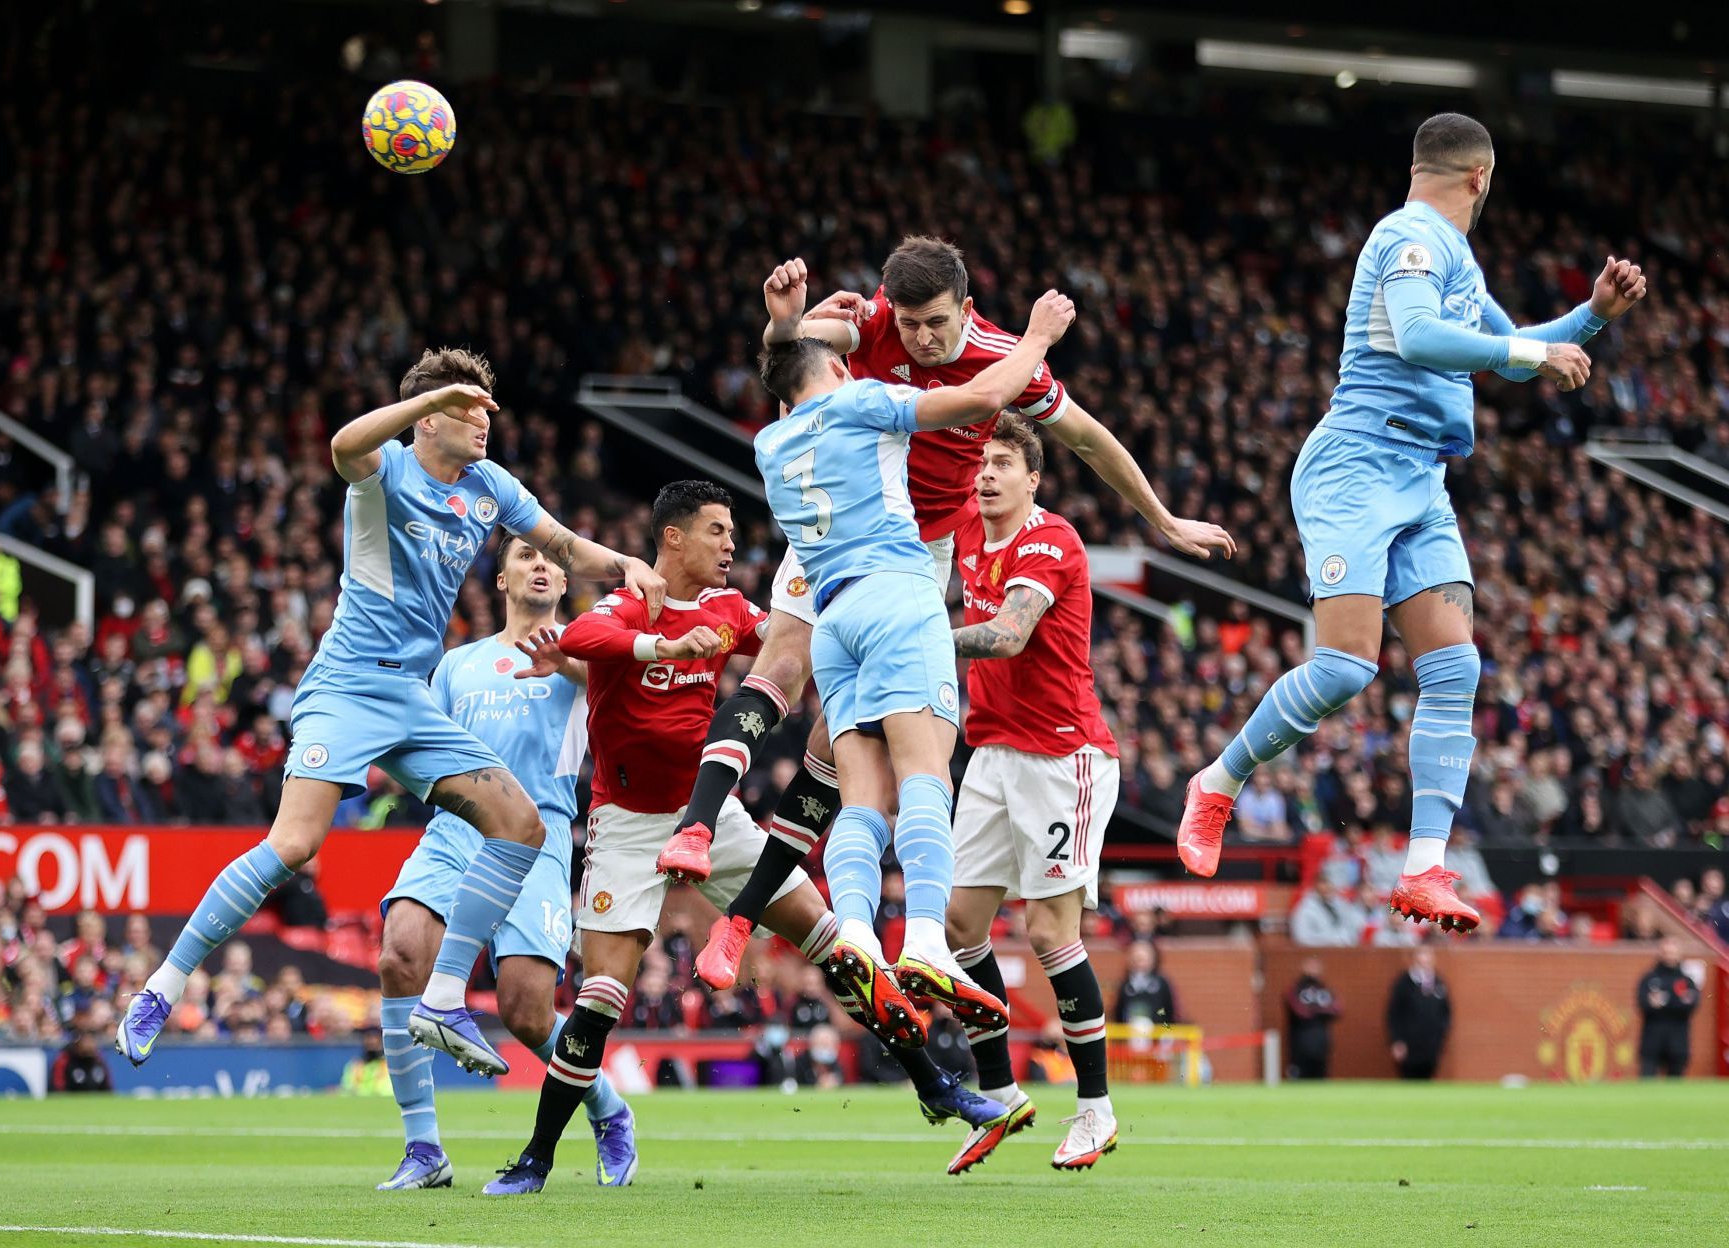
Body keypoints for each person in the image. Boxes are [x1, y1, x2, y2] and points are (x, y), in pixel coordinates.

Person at [676, 238, 1233, 988]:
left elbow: (1090, 440)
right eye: (908, 324)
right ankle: (712, 834)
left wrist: (1163, 520)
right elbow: (796, 355)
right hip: (846, 538)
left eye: (936, 323)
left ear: (966, 309)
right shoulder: (873, 327)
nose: (921, 339)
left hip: (916, 550)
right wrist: (787, 324)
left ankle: (747, 917)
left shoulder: (1001, 357)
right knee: (800, 682)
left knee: (837, 753)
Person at [115, 347, 665, 1075]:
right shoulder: (383, 473)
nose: (484, 423)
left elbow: (561, 543)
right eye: (470, 409)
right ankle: (164, 985)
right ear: (430, 418)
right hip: (346, 686)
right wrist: (432, 402)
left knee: (521, 825)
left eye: (486, 409)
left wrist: (624, 564)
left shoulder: (488, 487)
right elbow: (344, 445)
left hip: (412, 696)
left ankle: (443, 997)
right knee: (294, 845)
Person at [1177, 112, 1648, 934]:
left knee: (1456, 667)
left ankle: (1424, 870)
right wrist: (1531, 357)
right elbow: (1431, 341)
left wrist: (1595, 313)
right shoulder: (1411, 239)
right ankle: (1218, 782)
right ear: (1481, 179)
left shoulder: (1453, 256)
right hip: (1358, 465)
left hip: (1421, 476)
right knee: (1347, 668)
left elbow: (1517, 344)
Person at [483, 481, 1009, 1195]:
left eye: (731, 532)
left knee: (833, 942)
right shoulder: (633, 601)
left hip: (715, 817)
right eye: (716, 531)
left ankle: (934, 1085)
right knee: (602, 995)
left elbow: (796, 645)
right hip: (627, 826)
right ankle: (539, 1157)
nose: (732, 544)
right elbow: (582, 635)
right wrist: (663, 642)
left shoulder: (731, 611)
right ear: (672, 538)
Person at [730, 260, 1079, 1050]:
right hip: (897, 592)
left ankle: (853, 928)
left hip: (834, 615)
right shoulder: (863, 403)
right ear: (834, 367)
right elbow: (988, 396)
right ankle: (923, 939)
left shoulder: (772, 443)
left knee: (860, 797)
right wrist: (1038, 336)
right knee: (924, 777)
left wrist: (788, 323)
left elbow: (785, 353)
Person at [372, 534, 635, 1192]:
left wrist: (568, 663)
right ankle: (424, 1147)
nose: (541, 564)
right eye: (525, 555)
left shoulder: (584, 645)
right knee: (399, 954)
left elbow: (605, 690)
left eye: (551, 557)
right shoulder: (459, 665)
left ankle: (608, 1109)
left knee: (524, 1008)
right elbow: (423, 747)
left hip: (538, 832)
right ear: (502, 580)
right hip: (458, 826)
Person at [941, 416, 1120, 1174]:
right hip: (990, 754)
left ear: (1033, 480)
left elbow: (1010, 634)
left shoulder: (1051, 540)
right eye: (979, 462)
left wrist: (912, 636)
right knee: (958, 924)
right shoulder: (964, 532)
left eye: (1003, 462)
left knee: (1049, 931)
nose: (985, 474)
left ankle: (1096, 1109)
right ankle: (1001, 1093)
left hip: (1062, 757)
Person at [1636, 937, 1699, 1079]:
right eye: (1666, 952)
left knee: (1676, 1085)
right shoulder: (1649, 978)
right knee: (1647, 1081)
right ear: (1660, 953)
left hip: (1678, 1042)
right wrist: (1674, 1003)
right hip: (1652, 1041)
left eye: (1673, 953)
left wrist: (1664, 1003)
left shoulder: (1686, 981)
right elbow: (1643, 1003)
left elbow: (1692, 1004)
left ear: (1679, 954)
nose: (1669, 956)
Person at [1387, 947, 1451, 1079]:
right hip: (1410, 1044)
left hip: (1431, 1044)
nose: (1424, 961)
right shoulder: (1404, 983)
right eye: (1421, 957)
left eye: (1427, 957)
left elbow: (1445, 1012)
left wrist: (1440, 1035)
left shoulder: (1438, 982)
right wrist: (1397, 1040)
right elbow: (1394, 1014)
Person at [1284, 957, 1342, 1079]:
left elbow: (1337, 1010)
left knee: (1320, 1077)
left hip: (1321, 1043)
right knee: (1299, 1078)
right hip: (1300, 1044)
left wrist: (1314, 1010)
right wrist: (1319, 1011)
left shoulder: (1324, 990)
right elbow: (1299, 1011)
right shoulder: (1296, 989)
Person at [1114, 940, 1178, 1028]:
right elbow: (1118, 1012)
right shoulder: (1125, 985)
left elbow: (1170, 1010)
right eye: (1136, 959)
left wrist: (1167, 1030)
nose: (1140, 963)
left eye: (1143, 959)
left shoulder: (1161, 983)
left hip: (1157, 1033)